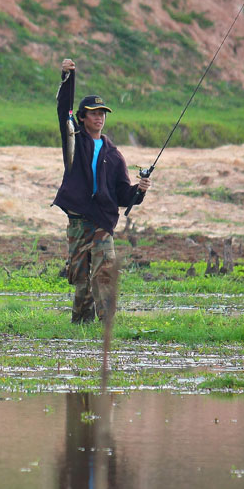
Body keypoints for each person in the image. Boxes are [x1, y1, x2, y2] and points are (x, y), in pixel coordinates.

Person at [52, 58, 151, 324]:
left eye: (102, 113)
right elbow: (64, 111)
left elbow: (122, 196)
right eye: (94, 113)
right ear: (82, 117)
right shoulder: (74, 140)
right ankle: (80, 325)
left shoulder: (114, 155)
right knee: (81, 277)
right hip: (77, 220)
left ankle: (107, 326)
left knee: (105, 271)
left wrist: (138, 191)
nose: (99, 118)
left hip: (102, 221)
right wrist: (68, 77)